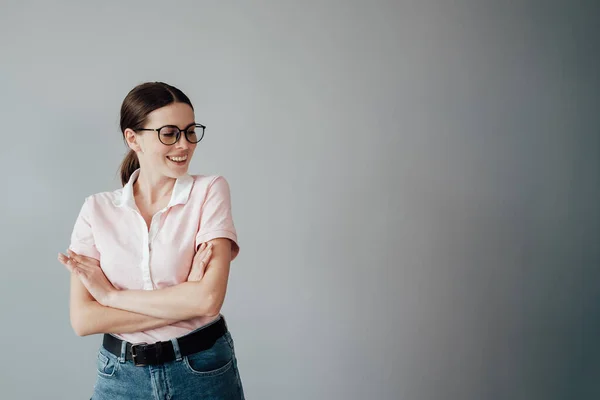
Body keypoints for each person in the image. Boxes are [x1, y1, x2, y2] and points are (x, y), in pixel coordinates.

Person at [57, 81, 245, 399]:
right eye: (169, 133)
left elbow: (208, 300)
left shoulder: (209, 191)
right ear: (133, 138)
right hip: (120, 375)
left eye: (190, 131)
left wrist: (110, 296)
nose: (184, 145)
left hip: (200, 370)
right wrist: (184, 299)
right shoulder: (96, 209)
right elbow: (84, 319)